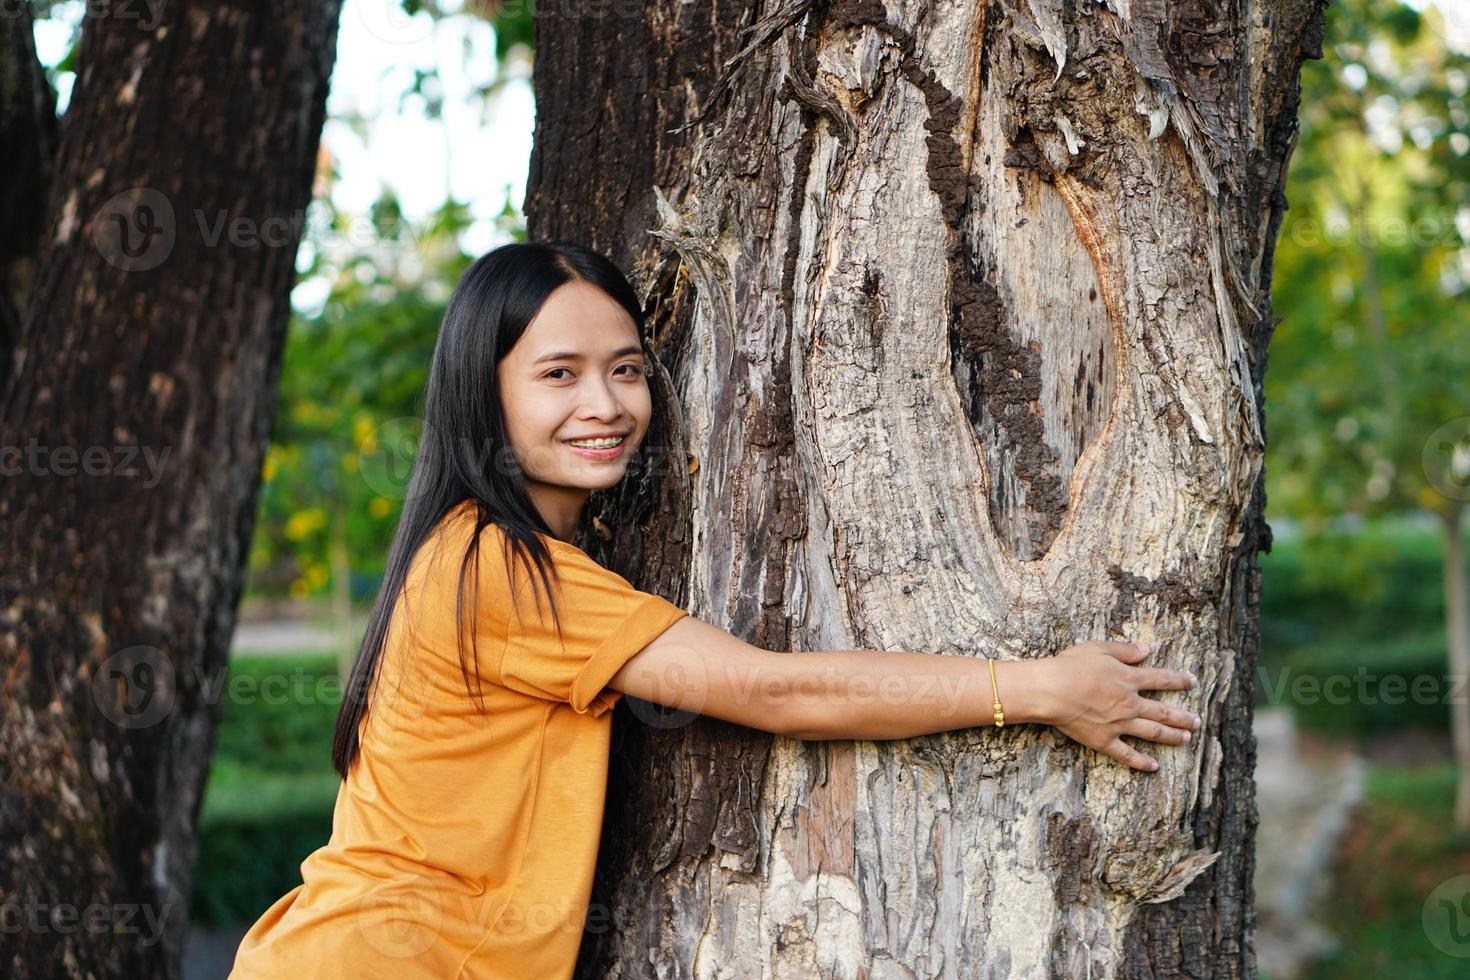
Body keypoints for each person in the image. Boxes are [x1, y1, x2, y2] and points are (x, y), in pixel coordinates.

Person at [229, 242, 1201, 979]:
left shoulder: (497, 554)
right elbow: (775, 690)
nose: (606, 402)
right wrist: (1037, 686)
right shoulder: (500, 568)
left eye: (625, 366)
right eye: (557, 373)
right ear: (484, 395)